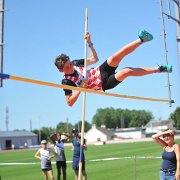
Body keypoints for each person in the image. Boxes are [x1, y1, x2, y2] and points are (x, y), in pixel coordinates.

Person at [54, 30, 173, 106]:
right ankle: (159, 69)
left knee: (116, 56)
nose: (71, 67)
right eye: (67, 67)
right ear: (61, 70)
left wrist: (90, 43)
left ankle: (141, 40)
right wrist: (80, 88)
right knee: (127, 71)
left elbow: (94, 59)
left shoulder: (75, 63)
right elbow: (69, 102)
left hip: (100, 70)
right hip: (102, 84)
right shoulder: (66, 81)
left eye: (70, 64)